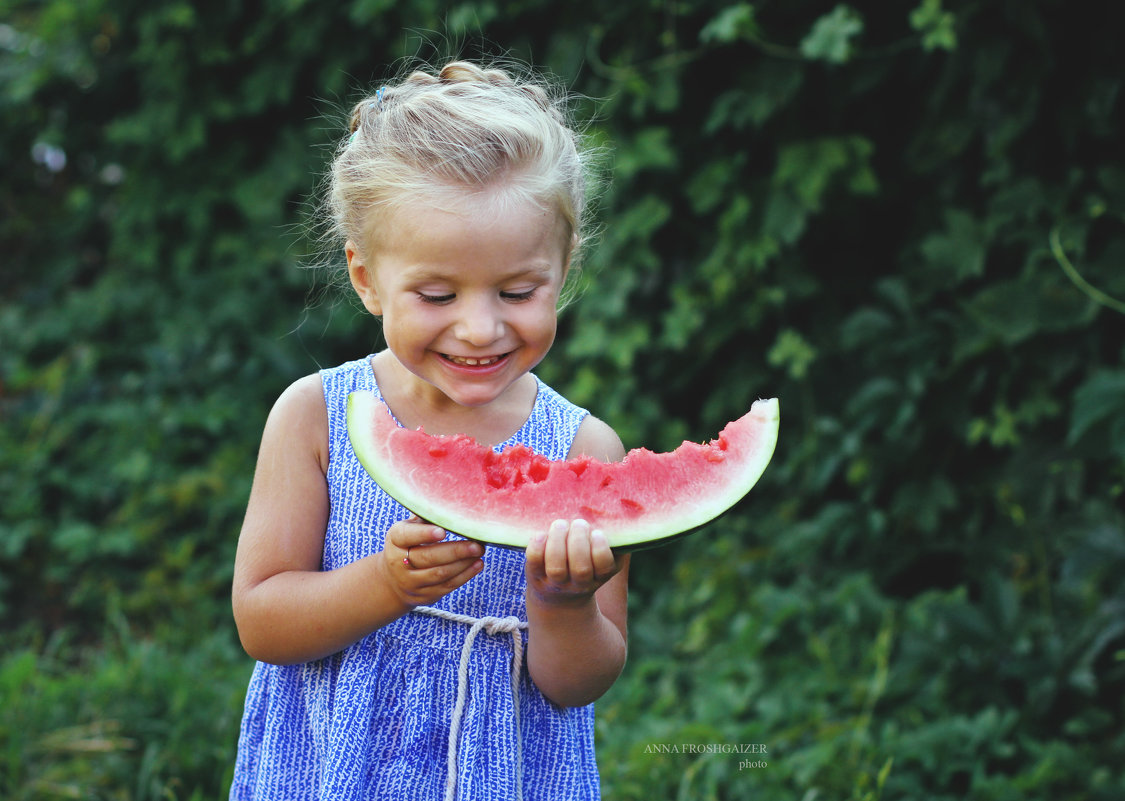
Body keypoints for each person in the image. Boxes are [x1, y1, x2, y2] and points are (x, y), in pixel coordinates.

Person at [229, 59, 629, 801]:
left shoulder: (584, 452)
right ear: (365, 276)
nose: (479, 327)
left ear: (563, 266)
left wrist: (565, 603)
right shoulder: (315, 416)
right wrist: (383, 584)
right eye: (437, 293)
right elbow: (261, 621)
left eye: (517, 290)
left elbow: (579, 685)